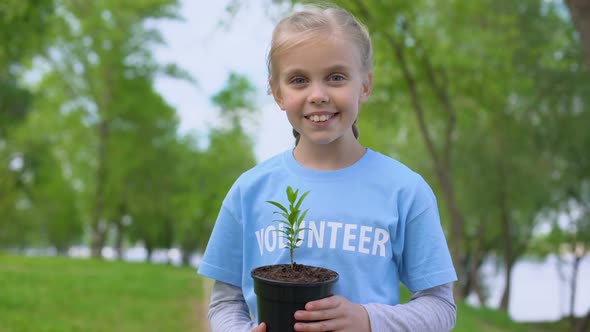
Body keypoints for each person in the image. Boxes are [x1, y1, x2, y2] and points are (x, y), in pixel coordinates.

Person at [198, 3, 457, 332]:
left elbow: (440, 307)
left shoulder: (406, 190)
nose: (317, 95)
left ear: (364, 85)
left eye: (336, 77)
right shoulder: (249, 191)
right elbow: (225, 301)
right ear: (277, 92)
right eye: (298, 80)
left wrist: (367, 319)